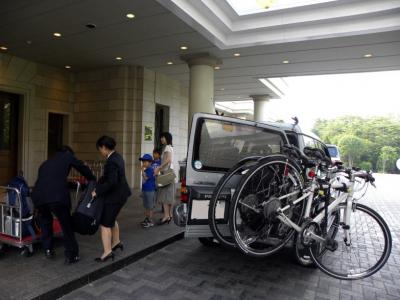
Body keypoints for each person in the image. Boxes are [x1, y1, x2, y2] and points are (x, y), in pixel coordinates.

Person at [31, 146, 96, 265]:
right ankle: (71, 255)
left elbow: (46, 180)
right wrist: (93, 179)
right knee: (66, 224)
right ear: (68, 153)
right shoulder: (67, 156)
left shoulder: (46, 163)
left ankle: (48, 249)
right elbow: (82, 167)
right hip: (57, 197)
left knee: (46, 221)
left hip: (38, 197)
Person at [92, 136, 131, 262]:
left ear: (104, 147)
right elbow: (110, 177)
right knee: (112, 219)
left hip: (115, 196)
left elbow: (112, 182)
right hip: (121, 194)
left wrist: (97, 191)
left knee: (105, 223)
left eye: (100, 149)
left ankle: (107, 252)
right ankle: (116, 242)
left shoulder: (111, 161)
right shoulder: (117, 156)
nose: (100, 152)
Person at [154, 132, 175, 225]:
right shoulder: (171, 147)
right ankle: (169, 215)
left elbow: (168, 160)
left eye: (163, 137)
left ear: (167, 138)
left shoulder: (167, 147)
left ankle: (166, 216)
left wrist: (159, 167)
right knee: (169, 195)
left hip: (166, 173)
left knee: (164, 195)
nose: (161, 139)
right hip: (170, 173)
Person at [139, 154, 156, 228]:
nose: (143, 163)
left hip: (150, 190)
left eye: (145, 162)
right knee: (146, 206)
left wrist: (142, 171)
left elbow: (146, 178)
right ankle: (147, 218)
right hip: (145, 189)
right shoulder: (146, 169)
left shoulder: (151, 170)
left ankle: (150, 221)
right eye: (143, 162)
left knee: (150, 206)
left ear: (150, 162)